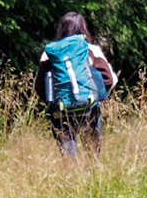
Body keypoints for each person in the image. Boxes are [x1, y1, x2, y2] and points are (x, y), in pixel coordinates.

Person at [37, 11, 119, 158]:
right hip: (89, 109)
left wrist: (54, 104)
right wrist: (95, 97)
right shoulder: (90, 49)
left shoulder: (50, 53)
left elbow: (39, 86)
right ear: (83, 28)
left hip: (60, 112)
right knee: (92, 158)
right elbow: (110, 80)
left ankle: (71, 172)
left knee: (69, 158)